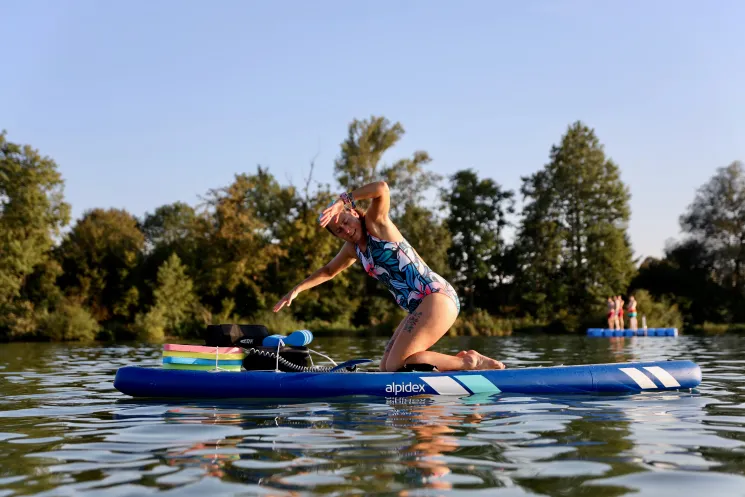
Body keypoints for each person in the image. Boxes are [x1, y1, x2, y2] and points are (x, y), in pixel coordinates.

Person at [273, 181, 505, 372]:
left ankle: (469, 363)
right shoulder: (354, 249)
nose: (345, 229)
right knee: (386, 368)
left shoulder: (376, 224)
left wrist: (342, 200)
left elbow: (382, 188)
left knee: (397, 364)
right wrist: (296, 290)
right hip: (420, 306)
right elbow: (328, 271)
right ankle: (447, 376)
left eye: (345, 221)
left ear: (354, 212)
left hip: (436, 296)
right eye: (339, 231)